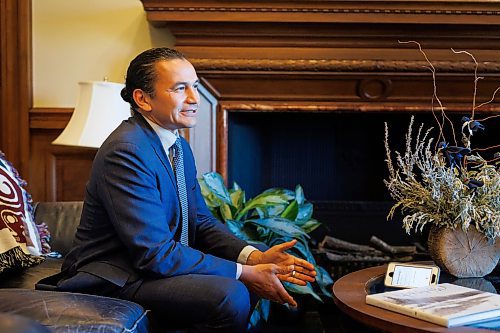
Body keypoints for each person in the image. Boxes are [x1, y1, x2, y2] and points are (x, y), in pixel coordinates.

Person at [55, 47, 316, 332]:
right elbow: (155, 253)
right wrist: (246, 272)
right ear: (142, 99)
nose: (194, 99)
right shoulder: (126, 151)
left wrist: (253, 257)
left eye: (195, 86)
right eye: (180, 89)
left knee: (259, 254)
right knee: (233, 292)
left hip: (149, 268)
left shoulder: (177, 145)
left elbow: (200, 221)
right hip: (118, 277)